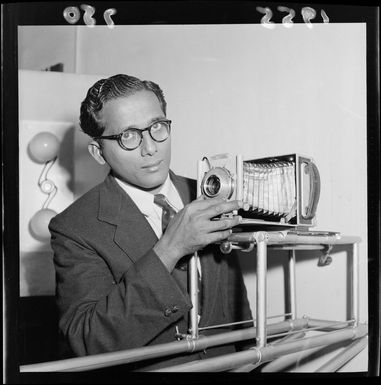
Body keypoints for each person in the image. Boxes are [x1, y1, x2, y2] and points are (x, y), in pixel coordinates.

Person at [49, 74, 253, 371]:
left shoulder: (208, 192)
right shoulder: (74, 228)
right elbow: (87, 341)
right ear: (98, 152)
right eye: (128, 136)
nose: (150, 148)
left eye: (157, 127)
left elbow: (240, 310)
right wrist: (169, 249)